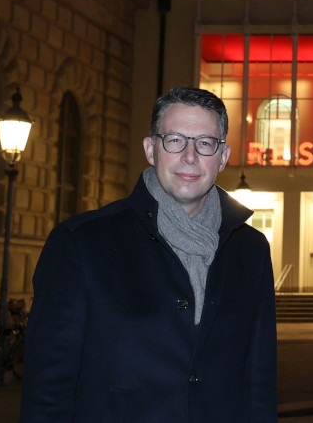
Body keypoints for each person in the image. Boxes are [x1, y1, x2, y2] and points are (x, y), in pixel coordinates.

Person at [21, 87, 277, 422]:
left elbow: (259, 382)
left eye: (205, 143)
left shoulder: (251, 250)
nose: (189, 156)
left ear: (223, 156)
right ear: (151, 149)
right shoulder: (82, 243)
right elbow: (48, 387)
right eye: (174, 140)